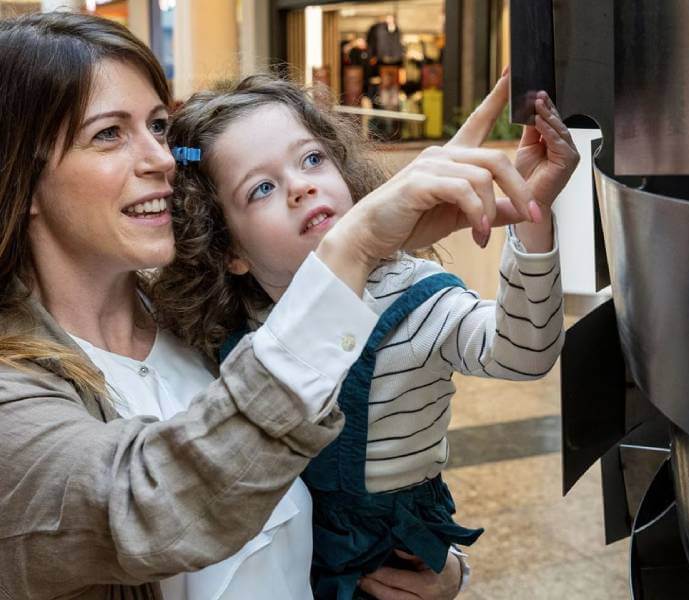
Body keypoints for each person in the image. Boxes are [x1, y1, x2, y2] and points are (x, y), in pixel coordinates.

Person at [0, 11, 576, 600]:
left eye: (155, 126)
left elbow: (327, 483)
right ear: (22, 177)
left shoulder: (196, 322)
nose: (162, 159)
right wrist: (351, 246)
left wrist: (438, 565)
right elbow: (155, 505)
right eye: (108, 134)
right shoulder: (15, 394)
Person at [153, 73, 577, 599]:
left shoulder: (417, 300)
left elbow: (525, 353)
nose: (301, 186)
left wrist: (532, 218)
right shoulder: (235, 333)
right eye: (261, 188)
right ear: (229, 252)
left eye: (311, 159)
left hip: (393, 556)